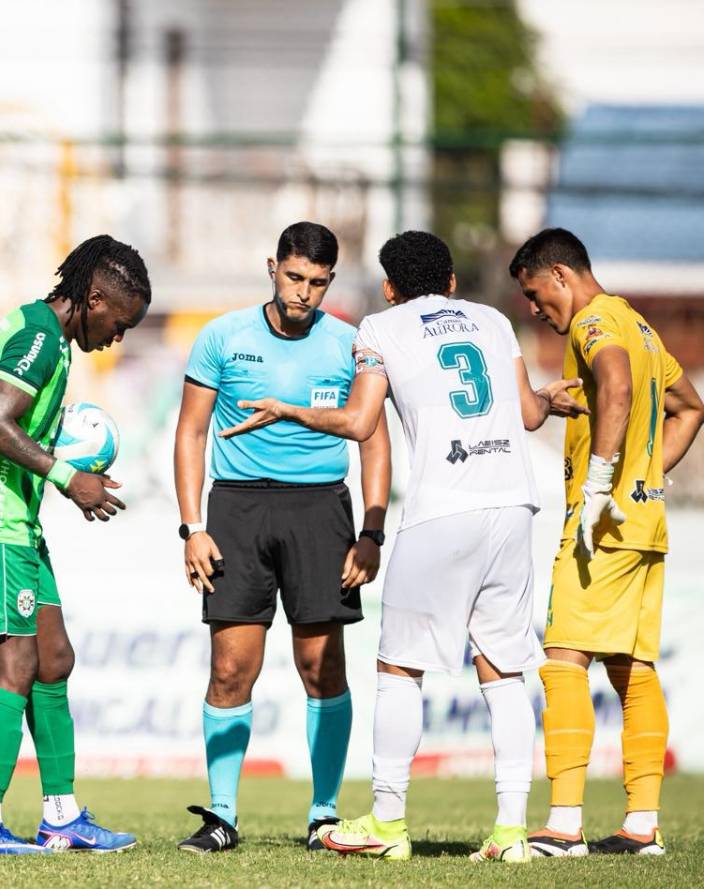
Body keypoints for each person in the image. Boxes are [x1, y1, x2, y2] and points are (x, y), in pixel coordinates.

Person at [221, 230, 583, 863]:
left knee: (398, 670)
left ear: (390, 288)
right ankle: (510, 832)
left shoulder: (380, 330)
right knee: (503, 673)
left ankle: (387, 822)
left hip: (444, 511)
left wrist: (289, 410)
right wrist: (550, 400)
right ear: (450, 283)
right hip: (513, 508)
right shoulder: (494, 321)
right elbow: (527, 414)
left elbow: (361, 422)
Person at [172, 221, 391, 854]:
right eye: (295, 278)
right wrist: (192, 527)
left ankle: (324, 814)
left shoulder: (352, 345)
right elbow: (190, 433)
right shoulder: (221, 337)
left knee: (322, 667)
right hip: (237, 510)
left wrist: (371, 533)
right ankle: (221, 815)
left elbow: (373, 438)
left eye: (319, 283)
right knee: (230, 667)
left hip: (321, 512)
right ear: (273, 267)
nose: (305, 294)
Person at [0, 234, 151, 854]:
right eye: (120, 322)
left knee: (53, 658)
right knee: (17, 665)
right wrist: (66, 475)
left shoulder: (52, 341)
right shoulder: (37, 336)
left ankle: (61, 814)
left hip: (18, 524)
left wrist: (64, 473)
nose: (119, 336)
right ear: (94, 296)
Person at [509, 228, 704, 857]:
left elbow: (616, 386)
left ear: (561, 275)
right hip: (643, 524)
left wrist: (598, 490)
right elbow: (690, 407)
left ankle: (563, 826)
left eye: (536, 294)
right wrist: (644, 477)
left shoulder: (595, 324)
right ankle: (642, 826)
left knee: (563, 657)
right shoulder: (637, 323)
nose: (535, 309)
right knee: (633, 669)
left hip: (602, 529)